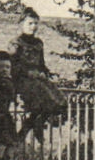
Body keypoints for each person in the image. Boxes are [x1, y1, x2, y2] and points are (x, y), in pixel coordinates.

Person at [11, 8, 66, 139]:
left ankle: (35, 124)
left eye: (35, 23)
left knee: (60, 103)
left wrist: (46, 72)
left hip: (38, 79)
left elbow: (41, 63)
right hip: (23, 80)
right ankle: (30, 129)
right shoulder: (16, 43)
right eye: (30, 23)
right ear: (21, 24)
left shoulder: (38, 43)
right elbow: (13, 65)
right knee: (39, 103)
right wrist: (29, 73)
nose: (33, 27)